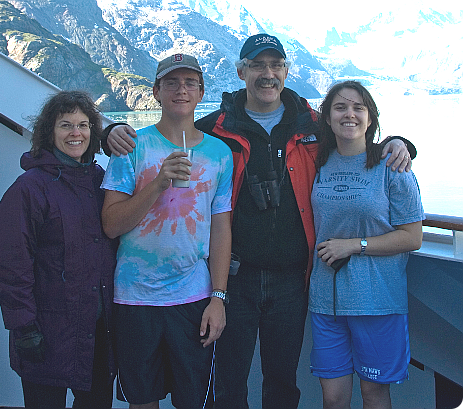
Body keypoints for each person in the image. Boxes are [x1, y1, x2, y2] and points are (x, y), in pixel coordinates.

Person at [104, 34, 414, 409]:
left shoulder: (312, 123)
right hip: (235, 276)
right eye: (257, 65)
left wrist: (399, 143)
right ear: (241, 71)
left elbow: (356, 136)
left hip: (292, 277)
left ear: (286, 71)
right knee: (228, 383)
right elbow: (174, 125)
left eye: (275, 65)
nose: (267, 74)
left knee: (283, 382)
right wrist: (109, 132)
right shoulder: (216, 127)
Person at [100, 54, 233, 409]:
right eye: (171, 83)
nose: (181, 90)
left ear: (201, 91)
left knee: (193, 401)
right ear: (156, 92)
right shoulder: (131, 147)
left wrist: (218, 298)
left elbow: (221, 228)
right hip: (134, 297)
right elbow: (111, 225)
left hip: (193, 297)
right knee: (142, 401)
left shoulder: (220, 153)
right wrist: (159, 182)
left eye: (190, 83)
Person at [0, 91, 118, 409]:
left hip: (98, 331)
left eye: (84, 124)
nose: (76, 133)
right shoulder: (29, 189)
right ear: (50, 131)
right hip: (47, 332)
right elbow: (11, 263)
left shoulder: (102, 182)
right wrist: (22, 327)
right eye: (66, 125)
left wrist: (119, 128)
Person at [309, 81, 424, 409]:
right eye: (340, 107)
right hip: (325, 301)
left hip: (377, 301)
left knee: (374, 394)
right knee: (332, 399)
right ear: (327, 118)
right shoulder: (319, 163)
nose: (350, 114)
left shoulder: (393, 166)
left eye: (358, 108)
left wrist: (352, 245)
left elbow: (411, 237)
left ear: (370, 118)